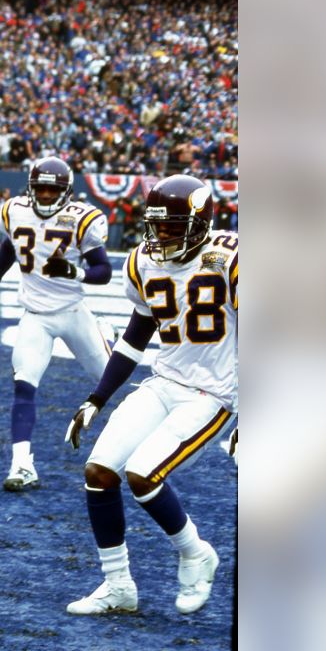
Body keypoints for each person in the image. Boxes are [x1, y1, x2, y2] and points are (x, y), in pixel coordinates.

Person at [63, 174, 237, 616]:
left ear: (199, 222)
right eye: (157, 225)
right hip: (164, 380)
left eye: (173, 226)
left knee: (143, 473)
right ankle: (118, 586)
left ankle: (196, 552)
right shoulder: (144, 261)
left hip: (212, 391)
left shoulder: (233, 259)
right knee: (99, 471)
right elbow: (135, 336)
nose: (162, 235)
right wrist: (97, 398)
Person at [0, 156, 113, 491]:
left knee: (109, 382)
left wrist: (76, 271)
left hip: (72, 312)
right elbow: (11, 243)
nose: (46, 196)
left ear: (66, 192)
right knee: (24, 385)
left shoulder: (84, 218)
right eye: (41, 189)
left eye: (53, 191)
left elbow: (104, 271)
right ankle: (22, 465)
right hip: (35, 316)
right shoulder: (14, 210)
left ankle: (105, 334)